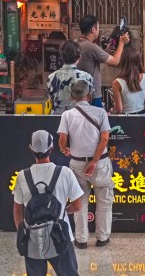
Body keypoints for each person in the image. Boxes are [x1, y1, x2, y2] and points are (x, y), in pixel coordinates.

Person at [14, 130, 85, 276]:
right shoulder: (65, 172)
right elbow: (78, 205)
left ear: (30, 149)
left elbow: (17, 210)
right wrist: (63, 212)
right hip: (61, 236)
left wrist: (24, 233)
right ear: (51, 149)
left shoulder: (22, 176)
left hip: (33, 239)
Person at [58, 80, 112, 249]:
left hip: (77, 165)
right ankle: (102, 237)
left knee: (79, 202)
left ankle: (81, 240)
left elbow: (62, 140)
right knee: (104, 200)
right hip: (100, 164)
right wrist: (94, 161)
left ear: (72, 97)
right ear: (89, 95)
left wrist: (64, 149)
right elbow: (104, 139)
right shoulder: (100, 112)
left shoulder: (67, 115)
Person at [76, 16, 128, 108]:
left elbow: (92, 59)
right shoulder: (91, 47)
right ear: (93, 29)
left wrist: (107, 50)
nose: (98, 30)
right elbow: (115, 62)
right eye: (98, 28)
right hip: (92, 96)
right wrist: (121, 43)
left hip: (78, 95)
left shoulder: (76, 43)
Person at [47, 41, 94, 116]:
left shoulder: (51, 77)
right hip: (79, 118)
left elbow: (50, 99)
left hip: (57, 119)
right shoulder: (87, 77)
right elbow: (89, 100)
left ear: (61, 56)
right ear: (79, 56)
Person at [110, 43, 145, 115]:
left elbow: (119, 109)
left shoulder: (117, 83)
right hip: (142, 115)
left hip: (126, 118)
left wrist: (112, 110)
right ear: (137, 61)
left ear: (122, 62)